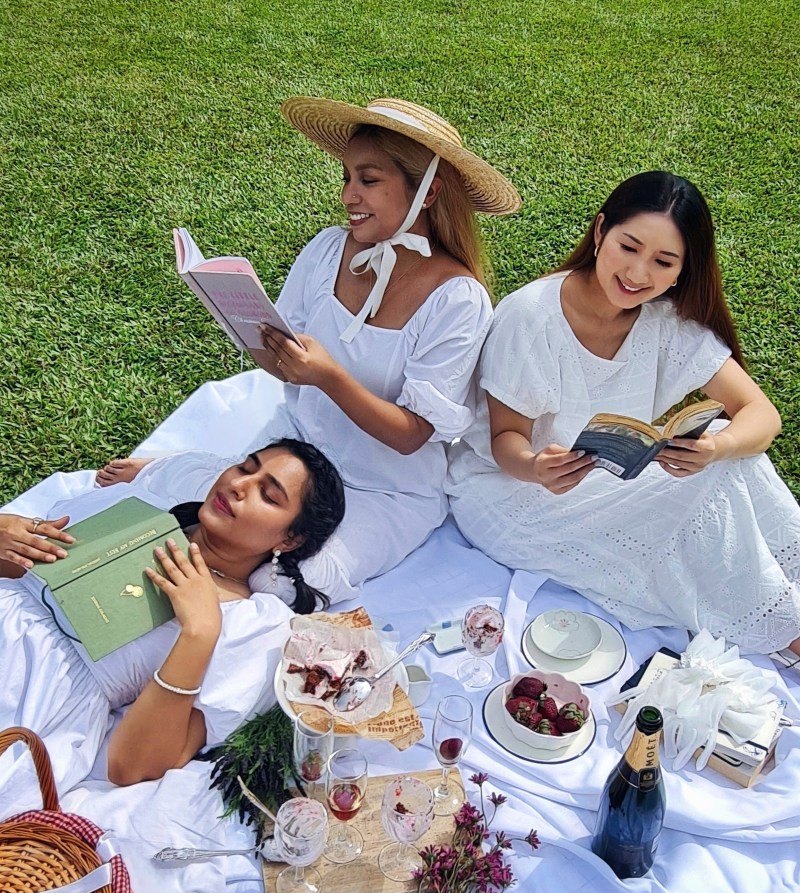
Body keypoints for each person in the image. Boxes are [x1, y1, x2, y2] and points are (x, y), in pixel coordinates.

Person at [97, 97, 520, 606]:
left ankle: (192, 645)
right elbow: (280, 363)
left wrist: (328, 377)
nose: (348, 196)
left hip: (383, 485)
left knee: (289, 582)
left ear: (427, 193)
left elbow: (414, 437)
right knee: (181, 503)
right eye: (345, 177)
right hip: (294, 457)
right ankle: (170, 479)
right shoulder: (326, 249)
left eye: (368, 180)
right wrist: (243, 322)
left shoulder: (458, 298)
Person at [446, 171, 800, 655]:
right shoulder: (531, 316)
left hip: (606, 482)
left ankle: (787, 591)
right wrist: (536, 467)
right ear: (599, 232)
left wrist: (716, 446)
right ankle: (785, 630)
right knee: (705, 490)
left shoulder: (664, 320)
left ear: (681, 270)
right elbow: (504, 439)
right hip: (513, 497)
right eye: (628, 247)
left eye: (662, 261)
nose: (638, 273)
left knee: (733, 455)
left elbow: (762, 414)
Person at [0, 440, 345, 797]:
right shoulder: (131, 512)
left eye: (268, 495)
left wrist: (199, 633)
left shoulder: (252, 625)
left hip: (33, 697)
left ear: (290, 540)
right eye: (244, 467)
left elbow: (131, 767)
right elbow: (21, 576)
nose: (238, 485)